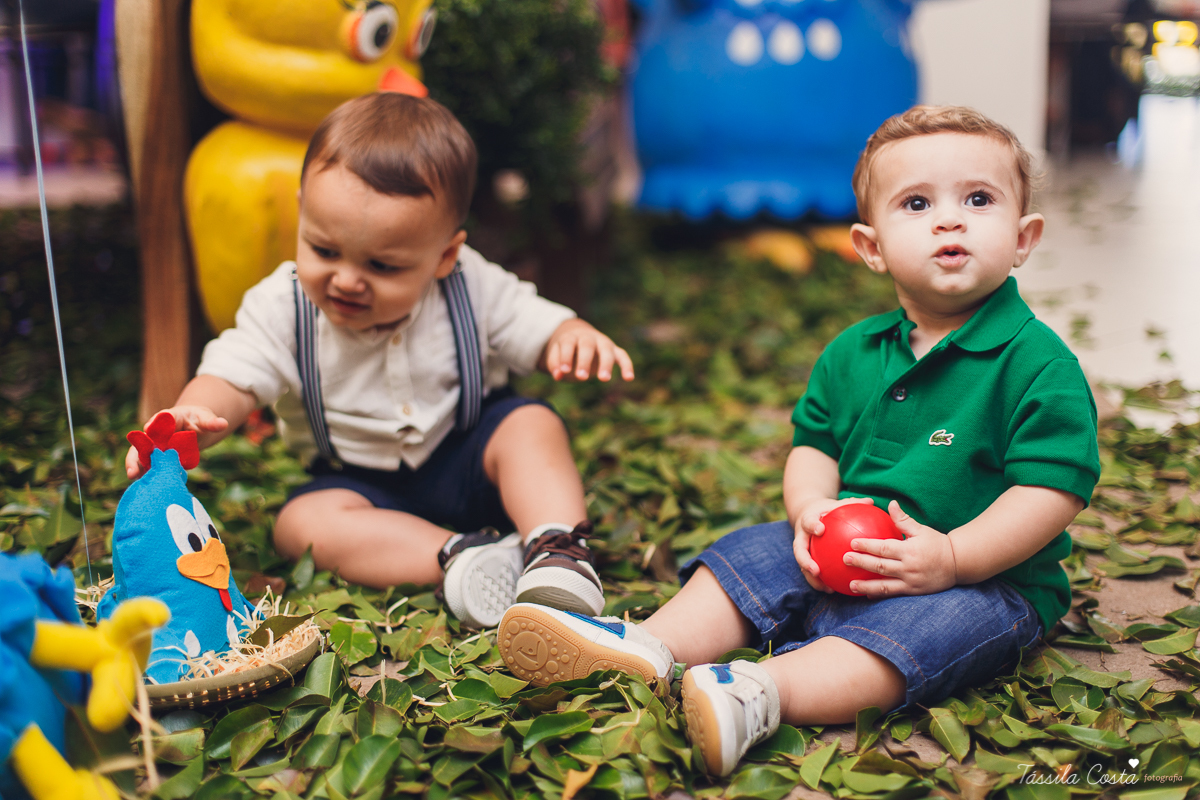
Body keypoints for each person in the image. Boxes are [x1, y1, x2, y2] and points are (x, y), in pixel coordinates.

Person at [496, 106, 1101, 776]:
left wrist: (955, 557)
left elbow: (1051, 490)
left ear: (1024, 237)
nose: (949, 219)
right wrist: (809, 509)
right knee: (751, 554)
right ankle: (647, 646)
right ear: (870, 248)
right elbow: (813, 446)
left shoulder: (1038, 364)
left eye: (979, 199)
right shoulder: (852, 353)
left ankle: (760, 693)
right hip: (850, 550)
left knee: (922, 636)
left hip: (989, 579)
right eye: (917, 203)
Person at [126, 93, 634, 629]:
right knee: (300, 524)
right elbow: (233, 371)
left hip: (468, 460)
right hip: (359, 485)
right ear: (301, 211)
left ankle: (560, 552)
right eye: (324, 250)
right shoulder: (284, 307)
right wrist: (194, 414)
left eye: (382, 265)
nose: (346, 279)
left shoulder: (471, 285)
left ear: (443, 257)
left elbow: (530, 317)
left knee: (531, 424)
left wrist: (567, 333)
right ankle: (461, 557)